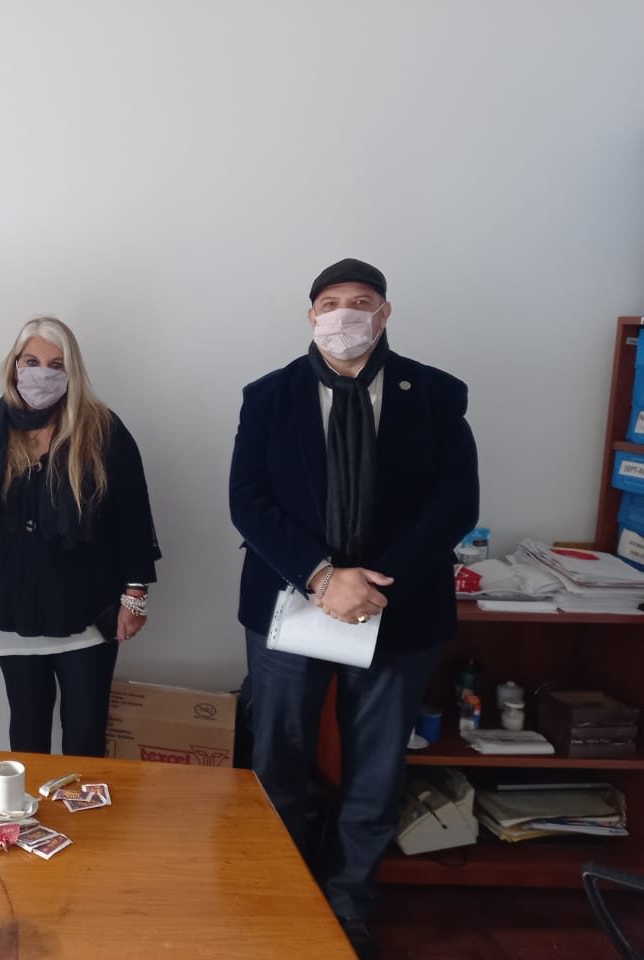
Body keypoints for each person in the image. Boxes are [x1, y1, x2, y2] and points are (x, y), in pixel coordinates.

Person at [229, 258, 479, 958]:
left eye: (362, 301)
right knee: (278, 765)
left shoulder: (435, 394)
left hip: (397, 612)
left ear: (385, 313)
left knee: (375, 772)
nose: (345, 314)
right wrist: (321, 577)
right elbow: (247, 501)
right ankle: (280, 898)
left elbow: (456, 503)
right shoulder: (268, 396)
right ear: (311, 315)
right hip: (291, 605)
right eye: (331, 302)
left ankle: (348, 908)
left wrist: (372, 583)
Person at [0, 317, 160, 757]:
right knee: (27, 728)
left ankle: (84, 806)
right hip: (9, 606)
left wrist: (135, 596)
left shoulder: (103, 431)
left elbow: (134, 519)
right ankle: (27, 804)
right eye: (32, 361)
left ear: (72, 372)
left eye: (56, 365)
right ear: (14, 365)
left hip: (88, 609)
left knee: (85, 730)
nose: (42, 373)